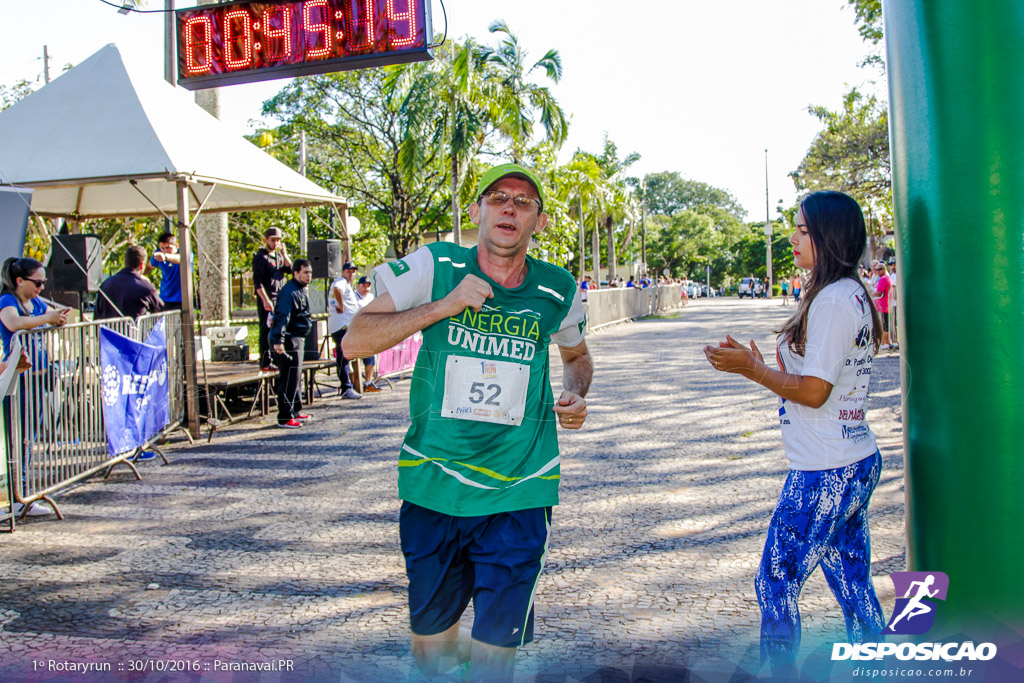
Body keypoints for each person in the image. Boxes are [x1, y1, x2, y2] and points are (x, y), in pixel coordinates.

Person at [343, 163, 593, 683]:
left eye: (523, 202)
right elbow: (355, 340)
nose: (509, 207)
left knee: (494, 655)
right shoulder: (436, 265)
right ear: (477, 211)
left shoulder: (558, 288)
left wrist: (575, 394)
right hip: (434, 482)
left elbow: (577, 357)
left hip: (521, 488)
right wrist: (445, 305)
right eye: (498, 197)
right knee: (432, 653)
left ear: (539, 222)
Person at [703, 191, 885, 675]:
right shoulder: (847, 293)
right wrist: (762, 364)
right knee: (852, 583)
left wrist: (750, 370)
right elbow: (819, 378)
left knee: (774, 583)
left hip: (825, 471)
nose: (793, 237)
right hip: (852, 461)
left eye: (803, 229)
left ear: (828, 236)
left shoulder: (831, 302)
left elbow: (814, 391)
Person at [1, 257, 69, 518]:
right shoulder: (8, 301)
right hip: (19, 381)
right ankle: (16, 497)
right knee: (18, 441)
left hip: (38, 379)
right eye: (38, 282)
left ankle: (22, 494)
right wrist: (47, 317)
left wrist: (55, 319)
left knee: (28, 441)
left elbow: (48, 318)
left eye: (44, 282)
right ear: (20, 281)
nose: (42, 287)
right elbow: (14, 323)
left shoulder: (36, 302)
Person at [269, 259, 313, 429]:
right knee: (288, 379)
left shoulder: (300, 289)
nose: (309, 276)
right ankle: (285, 417)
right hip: (289, 339)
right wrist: (278, 341)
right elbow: (282, 317)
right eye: (305, 272)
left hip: (297, 337)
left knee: (295, 378)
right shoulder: (289, 292)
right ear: (295, 273)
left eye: (310, 272)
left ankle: (295, 410)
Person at [252, 227, 292, 371]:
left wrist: (284, 254)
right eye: (273, 240)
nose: (275, 243)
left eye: (278, 240)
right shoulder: (261, 258)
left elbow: (291, 270)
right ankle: (265, 361)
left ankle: (277, 358)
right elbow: (257, 282)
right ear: (266, 240)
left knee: (278, 329)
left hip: (280, 298)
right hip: (268, 298)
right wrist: (265, 299)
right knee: (266, 329)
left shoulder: (279, 257)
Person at [93, 246, 163, 320]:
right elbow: (160, 311)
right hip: (134, 331)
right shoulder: (146, 287)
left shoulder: (105, 284)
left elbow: (97, 314)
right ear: (142, 265)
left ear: (124, 261)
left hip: (108, 331)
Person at [326, 262, 362, 400]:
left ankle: (348, 385)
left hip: (345, 326)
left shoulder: (347, 285)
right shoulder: (340, 281)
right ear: (343, 271)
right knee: (343, 356)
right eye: (348, 271)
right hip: (341, 326)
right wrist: (340, 305)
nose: (351, 274)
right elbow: (336, 289)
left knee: (345, 356)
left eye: (353, 271)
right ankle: (346, 387)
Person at [353, 276, 380, 392]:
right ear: (358, 285)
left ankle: (368, 382)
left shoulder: (370, 297)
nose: (366, 288)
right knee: (354, 359)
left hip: (370, 331)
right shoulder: (353, 297)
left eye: (368, 286)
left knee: (371, 357)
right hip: (357, 330)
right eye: (364, 286)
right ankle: (354, 383)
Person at [145, 232, 184, 311]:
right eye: (162, 248)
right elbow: (149, 266)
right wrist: (141, 276)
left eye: (168, 248)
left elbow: (182, 259)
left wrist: (166, 257)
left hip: (181, 299)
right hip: (164, 298)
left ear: (176, 246)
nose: (165, 251)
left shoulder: (184, 253)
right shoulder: (158, 254)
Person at [872, 262, 892, 350]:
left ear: (884, 269)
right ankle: (885, 342)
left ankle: (885, 342)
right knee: (885, 324)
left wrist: (871, 294)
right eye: (876, 269)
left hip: (883, 305)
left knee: (884, 325)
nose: (877, 271)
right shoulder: (887, 278)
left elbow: (879, 292)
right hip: (885, 304)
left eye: (880, 269)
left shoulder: (883, 279)